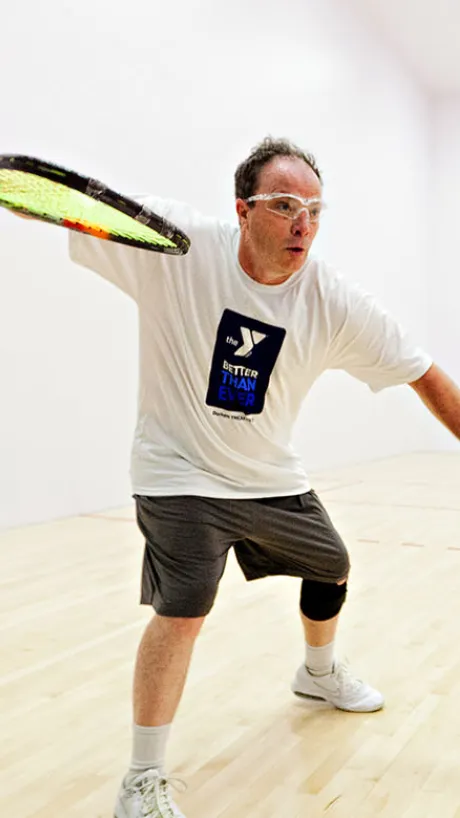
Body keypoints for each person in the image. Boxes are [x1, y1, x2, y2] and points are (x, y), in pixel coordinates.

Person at [65, 137, 459, 818]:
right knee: (185, 608)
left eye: (315, 210)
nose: (303, 222)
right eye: (283, 205)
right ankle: (142, 776)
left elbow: (423, 372)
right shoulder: (180, 245)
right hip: (178, 470)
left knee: (331, 566)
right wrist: (44, 203)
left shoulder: (332, 299)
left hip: (268, 474)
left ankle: (316, 674)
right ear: (243, 209)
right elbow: (87, 215)